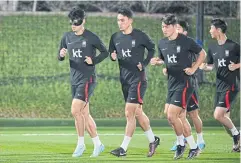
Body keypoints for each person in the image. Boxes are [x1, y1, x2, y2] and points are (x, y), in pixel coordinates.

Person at [150, 14, 206, 159]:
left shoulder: (186, 41)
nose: (164, 29)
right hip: (172, 83)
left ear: (175, 27)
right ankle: (193, 147)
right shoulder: (162, 43)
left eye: (167, 26)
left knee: (171, 115)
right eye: (163, 26)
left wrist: (193, 68)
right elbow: (165, 59)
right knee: (174, 116)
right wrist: (158, 62)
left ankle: (181, 144)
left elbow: (202, 53)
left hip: (185, 83)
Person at [109, 7, 160, 157]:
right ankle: (153, 140)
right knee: (137, 112)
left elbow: (152, 49)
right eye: (118, 20)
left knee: (129, 112)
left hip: (138, 79)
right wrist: (112, 56)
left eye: (122, 20)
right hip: (124, 80)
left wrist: (144, 63)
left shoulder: (140, 36)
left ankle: (123, 148)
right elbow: (112, 53)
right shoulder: (115, 37)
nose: (119, 23)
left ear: (130, 21)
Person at [57, 7, 108, 157]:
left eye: (77, 23)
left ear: (83, 21)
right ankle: (98, 144)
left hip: (87, 79)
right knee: (84, 114)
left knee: (75, 110)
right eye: (72, 23)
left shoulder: (91, 37)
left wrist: (94, 60)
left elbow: (104, 52)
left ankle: (81, 144)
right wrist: (61, 55)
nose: (74, 26)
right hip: (74, 79)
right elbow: (60, 54)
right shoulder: (67, 37)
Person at [162, 20, 205, 151]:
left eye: (179, 28)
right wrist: (166, 68)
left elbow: (202, 58)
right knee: (177, 115)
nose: (176, 31)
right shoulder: (169, 44)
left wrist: (195, 68)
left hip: (189, 84)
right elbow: (171, 60)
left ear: (184, 31)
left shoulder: (188, 43)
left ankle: (199, 139)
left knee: (192, 114)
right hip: (176, 84)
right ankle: (183, 141)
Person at [200, 18, 240, 152]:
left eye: (211, 28)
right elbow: (211, 66)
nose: (210, 31)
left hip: (231, 85)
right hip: (219, 86)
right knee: (224, 120)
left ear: (218, 30)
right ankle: (237, 143)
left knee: (218, 115)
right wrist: (204, 67)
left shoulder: (234, 46)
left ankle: (237, 135)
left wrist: (237, 65)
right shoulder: (212, 47)